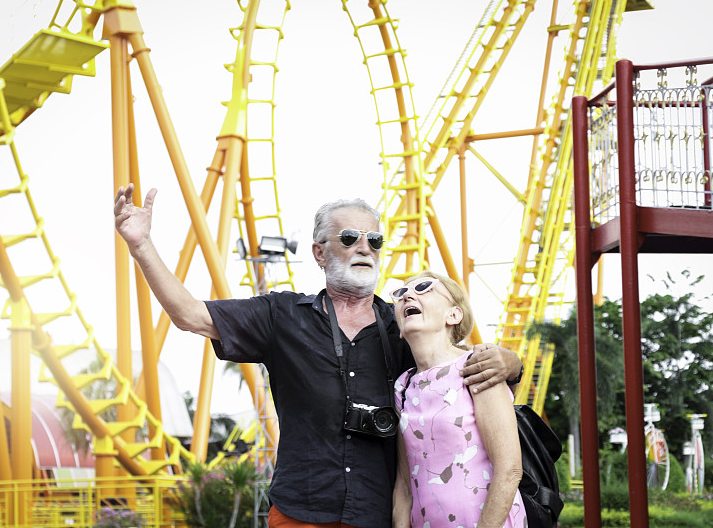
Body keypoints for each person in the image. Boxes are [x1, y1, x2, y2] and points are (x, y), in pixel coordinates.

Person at [113, 184, 523, 528]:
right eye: (349, 238)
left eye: (374, 241)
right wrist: (142, 245)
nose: (364, 247)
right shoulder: (281, 315)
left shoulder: (401, 327)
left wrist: (511, 363)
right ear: (320, 252)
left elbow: (457, 366)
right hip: (299, 510)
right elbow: (189, 316)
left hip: (376, 513)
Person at [391, 270, 526, 528]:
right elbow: (405, 483)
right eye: (401, 293)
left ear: (453, 315)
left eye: (424, 288)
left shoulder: (478, 367)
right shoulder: (403, 386)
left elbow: (509, 471)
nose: (408, 294)